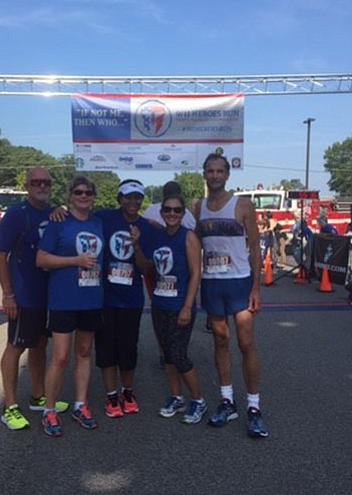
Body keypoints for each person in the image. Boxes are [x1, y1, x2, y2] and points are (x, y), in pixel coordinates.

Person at [195, 153, 269, 438]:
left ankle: (253, 406)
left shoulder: (242, 205)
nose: (214, 176)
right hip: (212, 282)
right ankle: (227, 401)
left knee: (247, 343)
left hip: (239, 281)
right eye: (210, 171)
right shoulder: (197, 207)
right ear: (204, 174)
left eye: (219, 171)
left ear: (227, 175)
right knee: (220, 340)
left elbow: (254, 248)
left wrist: (256, 287)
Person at [0, 167, 69, 430]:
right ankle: (10, 407)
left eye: (46, 182)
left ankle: (38, 395)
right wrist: (8, 294)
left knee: (39, 346)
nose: (41, 186)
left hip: (47, 295)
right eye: (35, 182)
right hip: (23, 295)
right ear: (27, 186)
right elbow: (0, 254)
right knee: (16, 347)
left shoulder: (55, 213)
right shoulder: (17, 214)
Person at [37, 176, 104, 437]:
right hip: (64, 299)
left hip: (91, 299)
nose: (83, 195)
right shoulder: (59, 222)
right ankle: (50, 410)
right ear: (70, 195)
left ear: (94, 196)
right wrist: (75, 260)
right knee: (61, 357)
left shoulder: (98, 223)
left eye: (88, 192)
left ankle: (80, 404)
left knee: (85, 352)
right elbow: (40, 259)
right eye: (78, 192)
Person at [134, 193, 206, 424]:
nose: (172, 214)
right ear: (162, 212)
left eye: (177, 210)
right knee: (167, 356)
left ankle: (198, 400)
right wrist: (136, 245)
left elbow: (196, 274)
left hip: (180, 305)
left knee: (179, 355)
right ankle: (176, 397)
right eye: (168, 210)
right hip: (159, 303)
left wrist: (188, 306)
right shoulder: (158, 237)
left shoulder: (188, 237)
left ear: (183, 214)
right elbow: (147, 266)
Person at [94, 179, 156, 418]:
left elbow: (146, 268)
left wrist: (137, 244)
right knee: (107, 348)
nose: (133, 202)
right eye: (128, 197)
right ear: (120, 198)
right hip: (105, 297)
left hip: (131, 299)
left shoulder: (146, 227)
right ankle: (111, 395)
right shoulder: (104, 218)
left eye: (137, 197)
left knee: (129, 348)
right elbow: (80, 218)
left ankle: (128, 391)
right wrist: (60, 210)